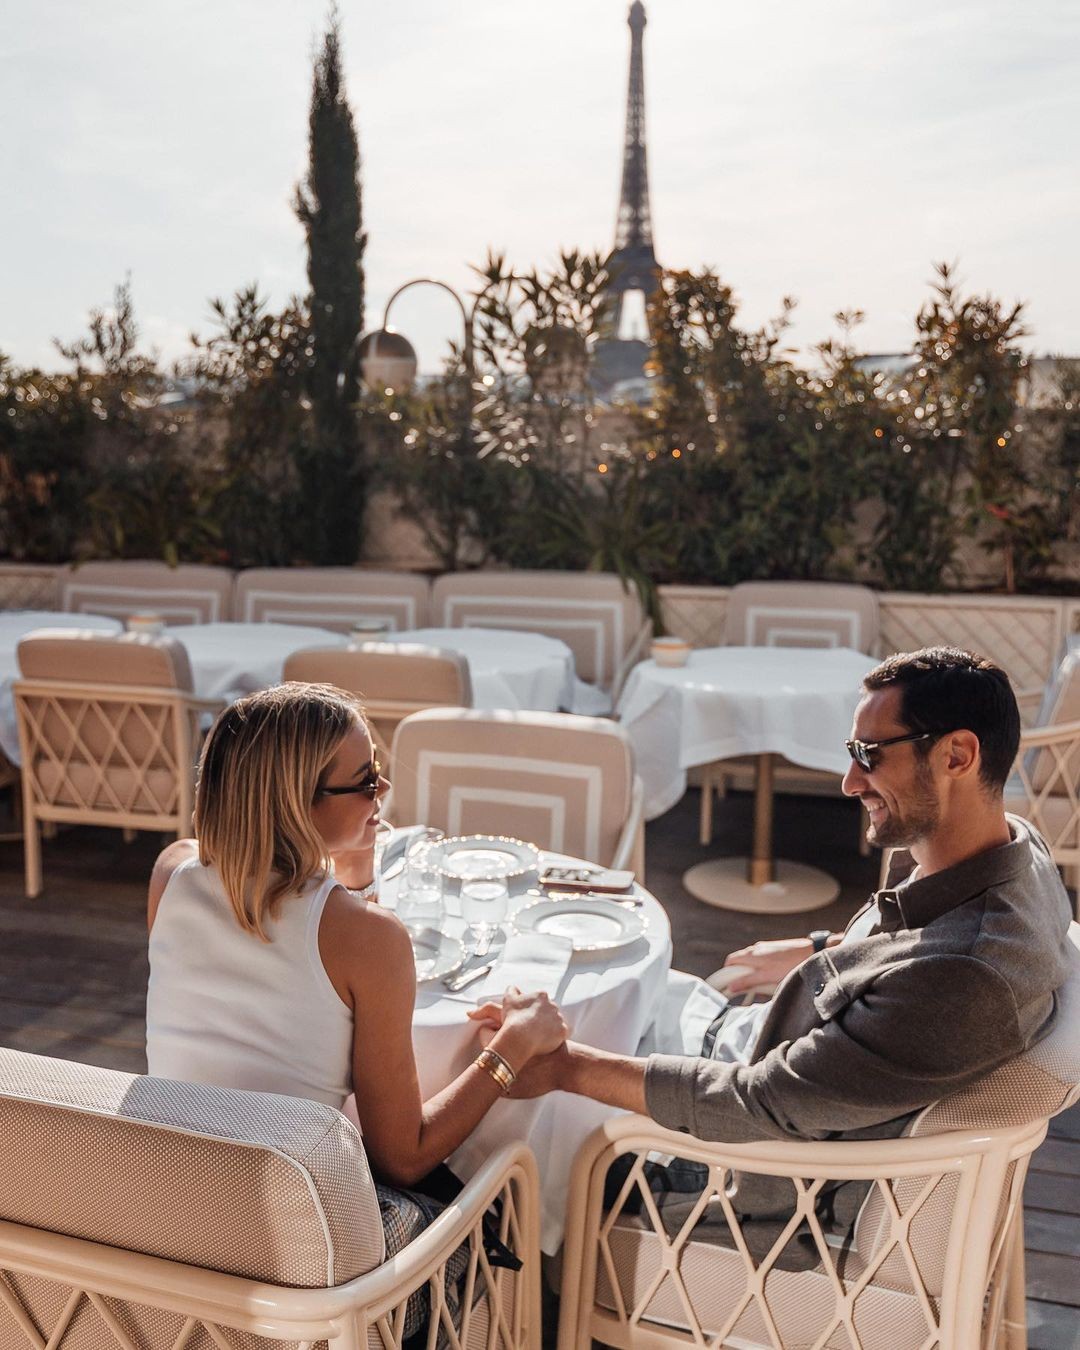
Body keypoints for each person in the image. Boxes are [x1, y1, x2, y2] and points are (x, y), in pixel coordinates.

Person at [480, 646, 1073, 1241]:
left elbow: (763, 1105)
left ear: (958, 755)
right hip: (750, 1047)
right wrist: (824, 949)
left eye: (869, 756)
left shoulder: (965, 981)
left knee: (508, 1102)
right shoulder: (1015, 853)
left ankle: (498, 1278)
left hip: (740, 1168)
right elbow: (913, 964)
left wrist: (566, 1069)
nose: (849, 782)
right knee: (587, 999)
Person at [146, 681, 567, 1189]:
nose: (384, 791)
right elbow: (402, 1159)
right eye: (366, 781)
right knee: (503, 1187)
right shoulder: (368, 939)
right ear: (298, 804)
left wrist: (351, 864)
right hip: (296, 1229)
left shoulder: (172, 874)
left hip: (168, 1189)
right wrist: (513, 1046)